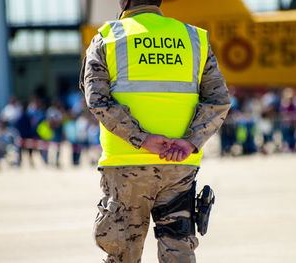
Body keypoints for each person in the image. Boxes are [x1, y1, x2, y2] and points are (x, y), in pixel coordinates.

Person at [80, 0, 231, 262]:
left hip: (126, 164)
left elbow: (98, 100)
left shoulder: (107, 38)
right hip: (179, 164)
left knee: (123, 254)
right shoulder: (193, 38)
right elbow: (218, 100)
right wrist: (191, 141)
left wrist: (143, 139)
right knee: (179, 251)